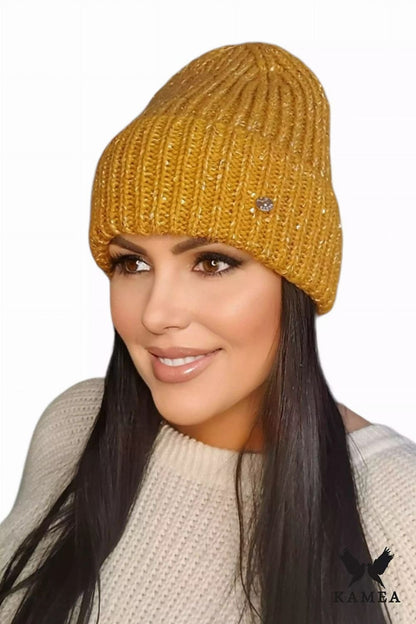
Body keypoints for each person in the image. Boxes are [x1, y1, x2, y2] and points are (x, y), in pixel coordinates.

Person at [0, 41, 415, 624]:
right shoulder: (74, 425)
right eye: (131, 263)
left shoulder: (398, 507)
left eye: (212, 262)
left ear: (296, 284)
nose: (156, 314)